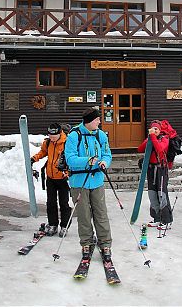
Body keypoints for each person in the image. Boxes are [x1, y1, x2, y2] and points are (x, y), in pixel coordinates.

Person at [64, 107, 112, 261]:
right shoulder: (74, 135)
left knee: (101, 213)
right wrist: (87, 161)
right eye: (97, 119)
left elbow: (107, 153)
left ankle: (105, 244)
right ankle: (87, 243)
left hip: (97, 180)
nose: (99, 121)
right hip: (79, 182)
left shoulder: (101, 135)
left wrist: (104, 161)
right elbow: (70, 159)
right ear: (90, 120)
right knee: (84, 215)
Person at [31, 122, 71, 237]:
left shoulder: (67, 143)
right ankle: (53, 224)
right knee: (51, 203)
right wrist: (34, 158)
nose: (52, 138)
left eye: (54, 136)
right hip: (51, 178)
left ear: (60, 133)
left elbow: (71, 158)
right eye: (50, 136)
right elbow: (43, 152)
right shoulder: (48, 142)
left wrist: (68, 172)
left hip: (63, 178)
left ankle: (64, 226)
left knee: (64, 203)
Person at [137, 120, 174, 227]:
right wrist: (149, 138)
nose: (154, 130)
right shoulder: (151, 138)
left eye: (156, 129)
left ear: (160, 129)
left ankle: (166, 220)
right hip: (151, 169)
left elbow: (160, 149)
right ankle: (156, 217)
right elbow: (140, 149)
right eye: (153, 128)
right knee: (152, 194)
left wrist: (152, 137)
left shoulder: (164, 139)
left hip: (161, 169)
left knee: (161, 193)